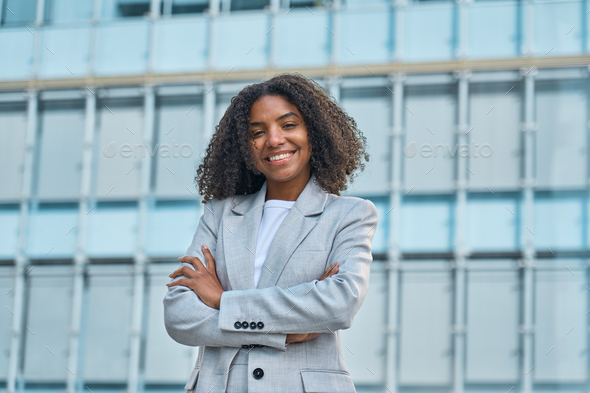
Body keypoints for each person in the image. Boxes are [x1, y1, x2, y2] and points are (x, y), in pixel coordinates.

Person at [163, 73, 378, 393]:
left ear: (314, 132)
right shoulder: (219, 214)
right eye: (257, 132)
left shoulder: (349, 215)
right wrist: (282, 331)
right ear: (245, 146)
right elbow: (180, 315)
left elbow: (339, 303)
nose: (274, 140)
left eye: (288, 125)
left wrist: (222, 300)